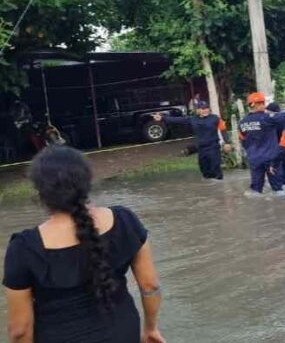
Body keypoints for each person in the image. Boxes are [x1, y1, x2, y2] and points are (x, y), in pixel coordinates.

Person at [3, 146, 164, 343]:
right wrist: (150, 328)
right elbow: (150, 285)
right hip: (123, 333)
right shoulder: (124, 220)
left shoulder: (24, 248)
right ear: (86, 182)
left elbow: (20, 330)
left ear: (40, 192)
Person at [154, 100, 231, 180]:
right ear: (198, 110)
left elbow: (223, 130)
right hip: (201, 149)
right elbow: (178, 120)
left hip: (213, 147)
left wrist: (227, 142)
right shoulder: (193, 119)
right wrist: (162, 118)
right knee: (205, 171)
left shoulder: (215, 118)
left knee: (215, 167)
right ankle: (210, 185)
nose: (205, 110)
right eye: (202, 109)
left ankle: (220, 182)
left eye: (206, 108)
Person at [239, 92, 283, 198]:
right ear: (256, 105)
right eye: (262, 103)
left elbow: (243, 140)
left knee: (256, 190)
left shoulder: (242, 122)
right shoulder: (267, 118)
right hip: (271, 158)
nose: (263, 105)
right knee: (278, 189)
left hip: (254, 159)